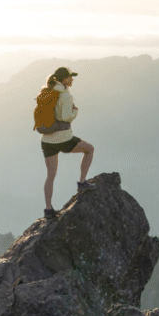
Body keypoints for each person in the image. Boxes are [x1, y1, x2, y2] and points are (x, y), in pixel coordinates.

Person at [40, 66, 95, 219]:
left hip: (46, 140)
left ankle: (48, 209)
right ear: (64, 79)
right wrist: (75, 112)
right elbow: (65, 117)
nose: (71, 80)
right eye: (70, 77)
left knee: (50, 175)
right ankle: (82, 183)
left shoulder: (48, 91)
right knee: (89, 149)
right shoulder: (65, 96)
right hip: (63, 138)